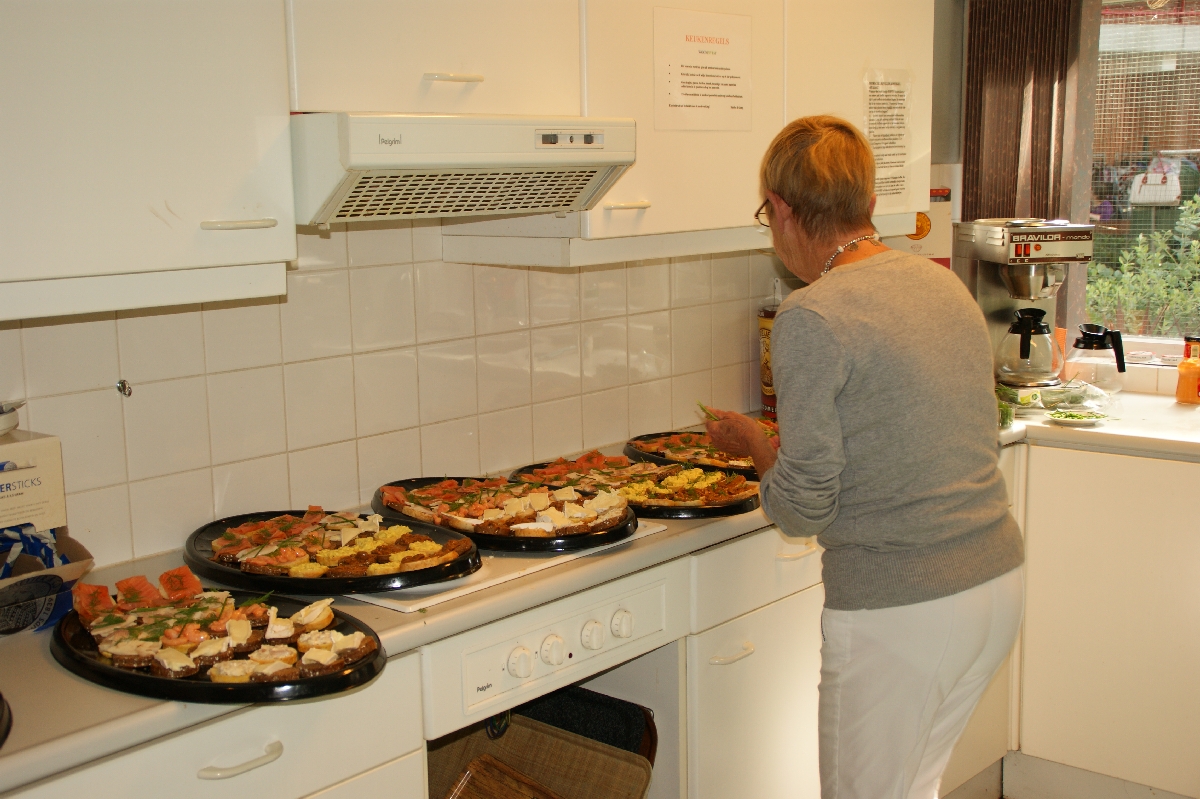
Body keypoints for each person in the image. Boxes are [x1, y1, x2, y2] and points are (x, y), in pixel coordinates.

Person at [705, 115, 1024, 799]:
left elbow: (803, 508)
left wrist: (757, 444)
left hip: (903, 606)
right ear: (870, 203)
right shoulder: (942, 284)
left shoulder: (811, 314)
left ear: (782, 210)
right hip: (994, 582)